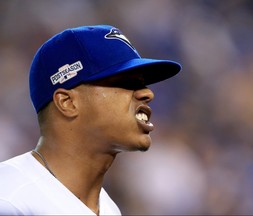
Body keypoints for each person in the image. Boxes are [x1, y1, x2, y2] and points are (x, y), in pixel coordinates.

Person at [0, 25, 181, 215]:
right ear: (68, 102)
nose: (148, 93)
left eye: (143, 83)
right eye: (127, 82)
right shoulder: (9, 199)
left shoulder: (109, 209)